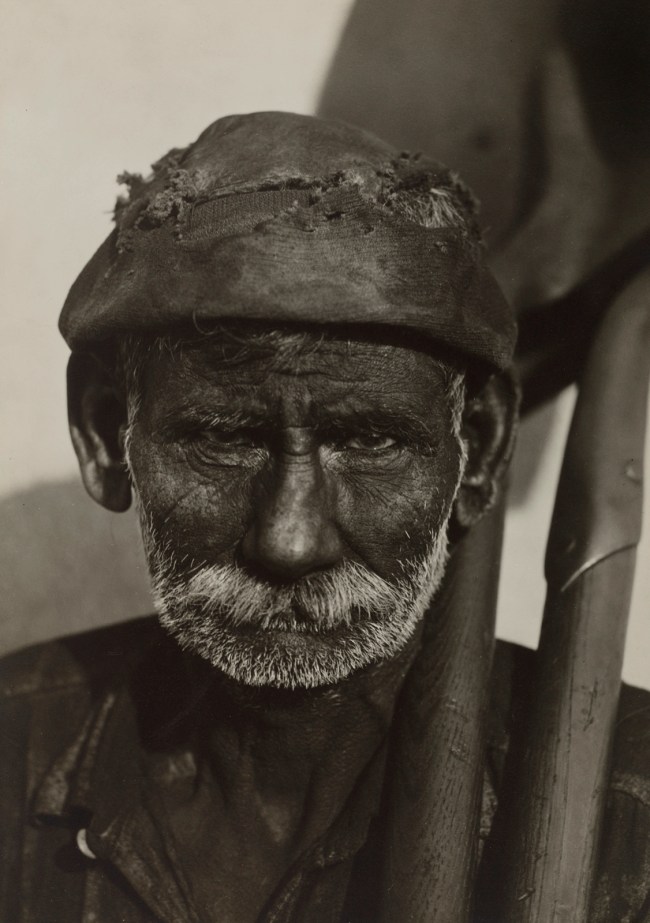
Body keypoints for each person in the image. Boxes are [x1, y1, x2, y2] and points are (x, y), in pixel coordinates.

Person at [1, 112, 648, 922]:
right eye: (224, 440)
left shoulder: (630, 823)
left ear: (477, 450)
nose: (290, 539)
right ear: (105, 435)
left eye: (369, 439)